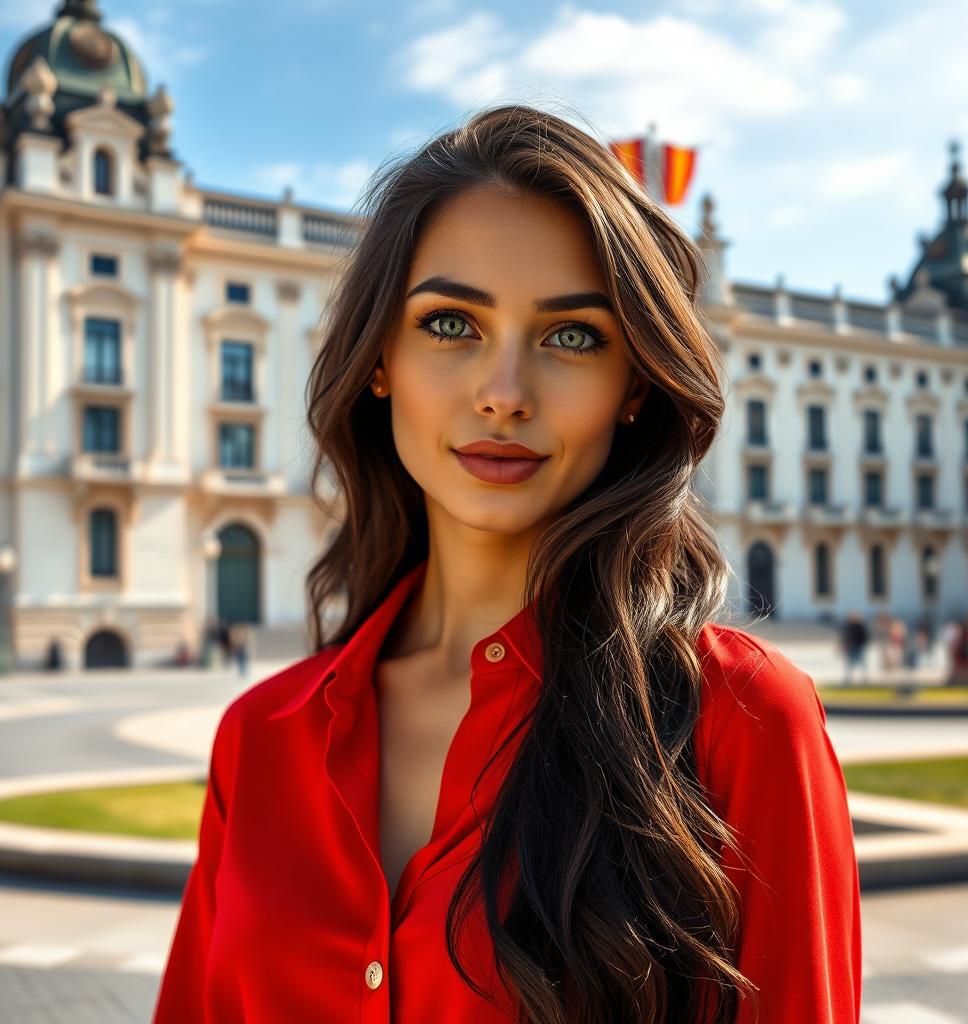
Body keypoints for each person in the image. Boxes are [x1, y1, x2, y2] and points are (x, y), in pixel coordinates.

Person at [153, 104, 860, 1024]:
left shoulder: (740, 718)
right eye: (451, 324)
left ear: (635, 386)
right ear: (380, 361)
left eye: (572, 336)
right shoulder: (260, 740)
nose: (504, 394)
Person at [839, 611, 869, 686]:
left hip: (858, 647)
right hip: (851, 648)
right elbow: (845, 637)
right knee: (849, 664)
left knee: (862, 664)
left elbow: (865, 637)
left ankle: (864, 678)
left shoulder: (860, 626)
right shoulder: (848, 626)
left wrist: (861, 644)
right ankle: (848, 679)